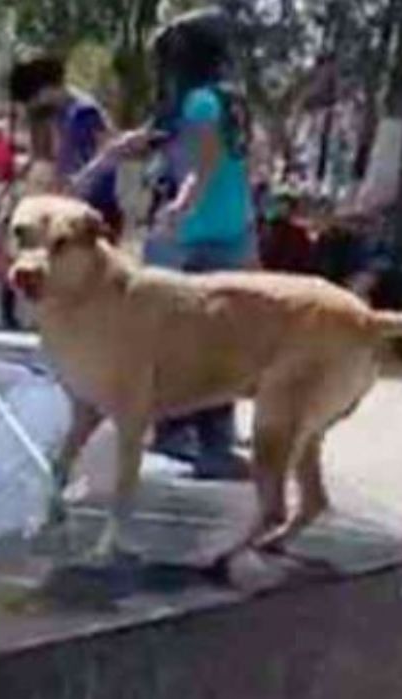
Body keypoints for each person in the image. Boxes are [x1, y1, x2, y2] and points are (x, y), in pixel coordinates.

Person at [147, 8, 255, 480]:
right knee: (223, 339)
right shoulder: (231, 101)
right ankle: (213, 437)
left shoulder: (198, 104)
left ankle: (176, 428)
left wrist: (179, 208)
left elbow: (202, 165)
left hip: (194, 236)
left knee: (180, 336)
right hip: (235, 229)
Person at [8, 52, 135, 238]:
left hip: (95, 213)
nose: (32, 107)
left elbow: (98, 166)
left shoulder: (83, 114)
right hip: (74, 209)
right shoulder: (61, 114)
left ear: (46, 90)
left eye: (32, 100)